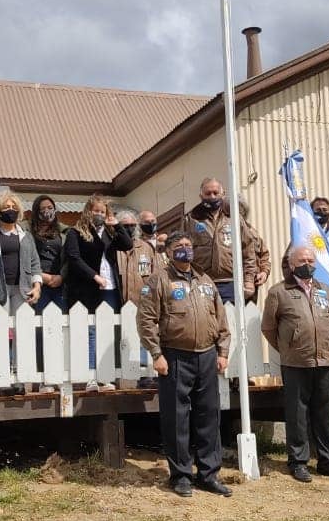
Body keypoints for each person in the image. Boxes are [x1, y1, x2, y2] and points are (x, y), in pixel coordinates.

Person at [138, 231, 232, 498]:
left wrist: (222, 351)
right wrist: (156, 354)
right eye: (179, 246)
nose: (185, 250)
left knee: (209, 416)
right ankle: (180, 476)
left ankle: (208, 474)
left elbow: (221, 319)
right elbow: (146, 320)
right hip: (175, 356)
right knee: (177, 418)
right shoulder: (159, 280)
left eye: (189, 246)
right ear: (168, 252)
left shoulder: (205, 280)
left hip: (207, 356)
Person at [261, 246, 329, 483]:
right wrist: (288, 347)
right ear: (291, 264)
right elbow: (268, 328)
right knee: (297, 413)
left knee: (323, 413)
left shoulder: (325, 291)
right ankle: (298, 462)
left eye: (311, 259)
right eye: (303, 260)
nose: (308, 263)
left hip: (324, 361)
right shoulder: (279, 292)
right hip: (296, 363)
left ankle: (327, 461)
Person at [0, 190, 43, 393]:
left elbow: (35, 262)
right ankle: (1, 381)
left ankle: (19, 380)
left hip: (22, 289)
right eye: (6, 207)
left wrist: (37, 286)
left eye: (13, 208)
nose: (10, 211)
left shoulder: (25, 236)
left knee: (22, 333)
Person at [63, 195, 132, 391]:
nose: (99, 215)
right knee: (91, 331)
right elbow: (74, 258)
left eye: (103, 212)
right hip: (88, 287)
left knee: (107, 330)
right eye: (96, 211)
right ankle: (91, 375)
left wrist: (116, 225)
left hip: (110, 287)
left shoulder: (110, 232)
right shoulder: (76, 232)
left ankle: (105, 376)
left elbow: (127, 245)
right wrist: (94, 276)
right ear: (88, 211)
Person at [184, 178, 257, 304]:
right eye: (208, 193)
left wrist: (249, 280)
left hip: (231, 283)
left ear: (223, 194)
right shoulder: (191, 219)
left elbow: (248, 250)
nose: (212, 196)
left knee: (231, 322)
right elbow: (184, 251)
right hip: (202, 281)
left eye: (215, 193)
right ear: (201, 195)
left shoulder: (234, 217)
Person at [116, 207, 161, 389]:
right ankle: (116, 376)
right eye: (124, 225)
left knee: (144, 335)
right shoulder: (113, 247)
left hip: (142, 299)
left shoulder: (146, 248)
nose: (129, 228)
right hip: (119, 299)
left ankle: (145, 374)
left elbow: (156, 274)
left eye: (132, 225)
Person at [30, 195, 67, 312]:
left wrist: (62, 276)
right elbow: (24, 258)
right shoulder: (28, 232)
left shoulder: (64, 231)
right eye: (43, 208)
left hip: (59, 283)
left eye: (50, 207)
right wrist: (40, 276)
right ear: (37, 212)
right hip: (37, 283)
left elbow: (70, 257)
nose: (47, 211)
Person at [238, 199, 271, 302]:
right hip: (231, 284)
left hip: (251, 284)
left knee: (249, 316)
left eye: (240, 211)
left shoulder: (252, 232)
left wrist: (264, 272)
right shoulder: (222, 231)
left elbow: (264, 255)